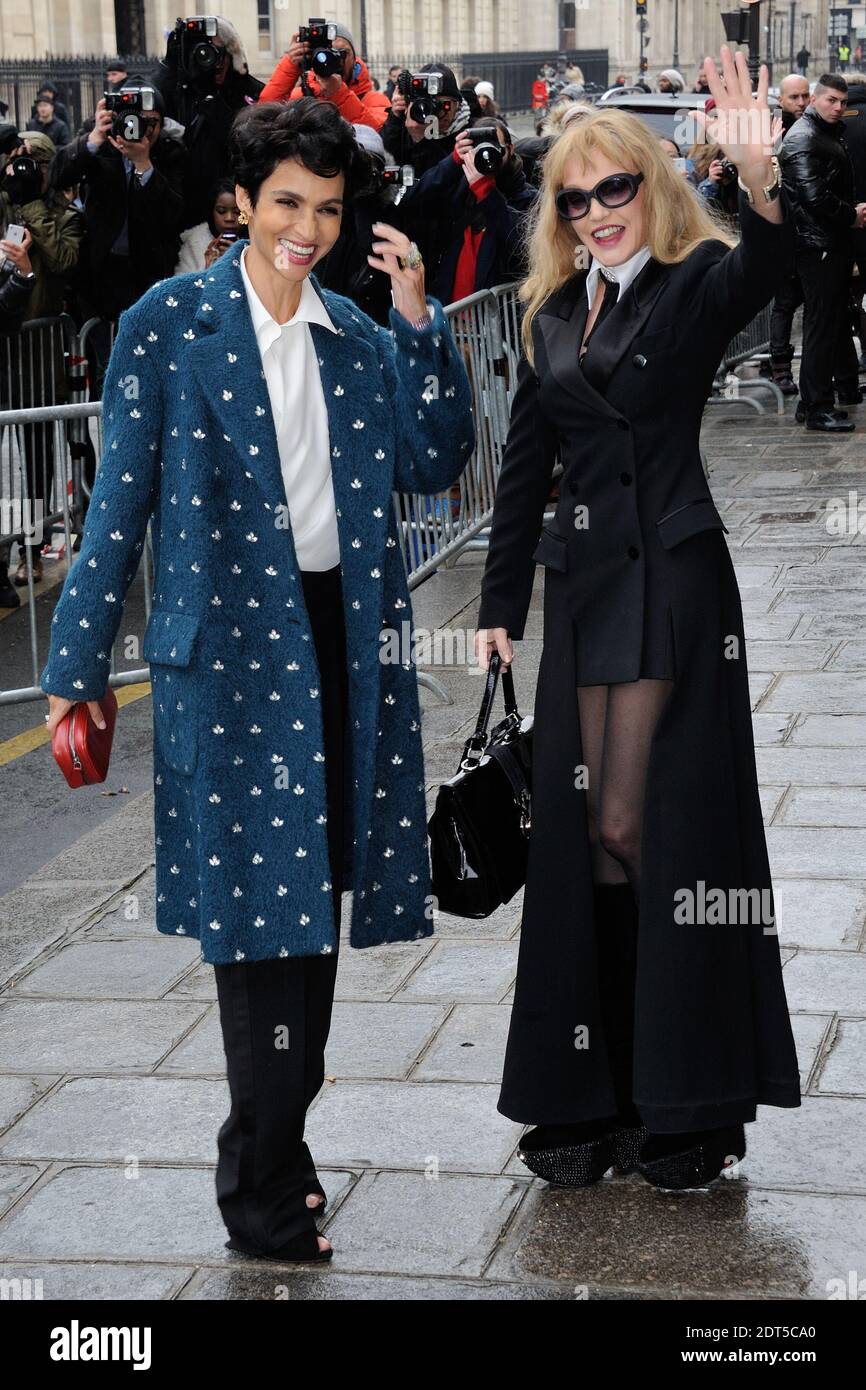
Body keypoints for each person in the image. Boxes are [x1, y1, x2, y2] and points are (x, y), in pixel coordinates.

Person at [40, 97, 475, 1263]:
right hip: (230, 654)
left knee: (315, 913)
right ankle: (267, 1196)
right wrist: (72, 668)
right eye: (287, 203)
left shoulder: (353, 331)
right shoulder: (167, 324)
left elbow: (438, 462)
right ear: (240, 201)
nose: (306, 228)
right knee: (256, 927)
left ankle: (273, 1157)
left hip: (339, 643)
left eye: (327, 210)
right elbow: (115, 505)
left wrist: (423, 318)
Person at [474, 48, 801, 1193]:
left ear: (649, 191)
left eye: (617, 188)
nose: (598, 210)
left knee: (637, 826)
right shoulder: (550, 314)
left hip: (673, 582)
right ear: (558, 215)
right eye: (576, 197)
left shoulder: (688, 281)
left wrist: (759, 183)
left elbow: (768, 267)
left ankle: (688, 1101)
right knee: (585, 847)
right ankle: (599, 1093)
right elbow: (523, 467)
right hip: (585, 592)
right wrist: (497, 604)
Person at [0, 131, 84, 591]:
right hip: (4, 348)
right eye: (19, 160)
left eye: (36, 162)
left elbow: (65, 259)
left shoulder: (63, 215)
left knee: (35, 467)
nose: (26, 168)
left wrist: (32, 205)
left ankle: (32, 551)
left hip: (35, 356)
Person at [779, 73, 866, 430]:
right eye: (831, 100)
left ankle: (813, 400)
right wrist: (852, 215)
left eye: (843, 102)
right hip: (818, 246)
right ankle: (816, 406)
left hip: (828, 243)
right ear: (815, 99)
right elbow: (812, 195)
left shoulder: (823, 133)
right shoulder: (804, 136)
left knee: (827, 323)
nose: (838, 107)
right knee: (820, 325)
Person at [401, 115, 538, 303]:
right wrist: (453, 161)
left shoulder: (528, 197)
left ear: (510, 149)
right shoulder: (460, 189)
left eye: (494, 149)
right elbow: (413, 200)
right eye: (478, 150)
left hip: (497, 319)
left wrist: (487, 194)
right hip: (452, 314)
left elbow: (523, 247)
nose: (487, 156)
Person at [152, 14, 264, 228]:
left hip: (234, 214)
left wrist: (217, 109)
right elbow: (150, 104)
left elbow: (252, 149)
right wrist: (170, 63)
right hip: (185, 214)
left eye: (221, 51)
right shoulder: (175, 91)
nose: (215, 60)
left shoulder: (249, 92)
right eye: (203, 51)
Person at [258, 23, 388, 132]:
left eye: (343, 53)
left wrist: (340, 94)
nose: (335, 60)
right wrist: (290, 65)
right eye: (328, 53)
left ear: (355, 59)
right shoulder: (300, 97)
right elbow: (264, 118)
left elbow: (376, 138)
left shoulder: (373, 100)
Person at [381, 62, 472, 178]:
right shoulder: (411, 122)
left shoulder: (469, 132)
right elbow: (390, 156)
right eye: (430, 105)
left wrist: (421, 139)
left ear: (458, 104)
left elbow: (441, 180)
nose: (438, 113)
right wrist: (395, 118)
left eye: (444, 105)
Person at [174, 176, 240, 273]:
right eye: (221, 211)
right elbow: (182, 285)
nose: (229, 218)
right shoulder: (193, 245)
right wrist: (209, 267)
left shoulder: (256, 244)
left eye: (237, 212)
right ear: (211, 212)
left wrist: (237, 260)